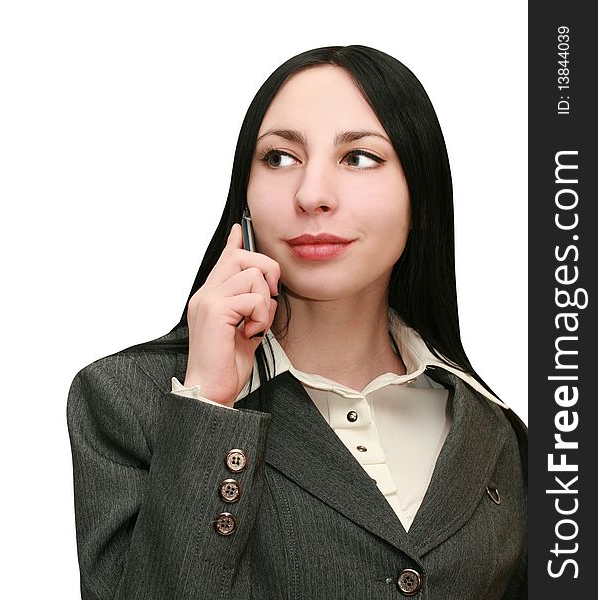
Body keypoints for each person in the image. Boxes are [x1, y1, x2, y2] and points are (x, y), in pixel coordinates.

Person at [66, 45, 527, 599]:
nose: (311, 195)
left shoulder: (495, 429)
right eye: (280, 158)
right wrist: (209, 406)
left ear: (420, 199)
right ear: (246, 197)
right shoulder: (129, 400)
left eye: (359, 158)